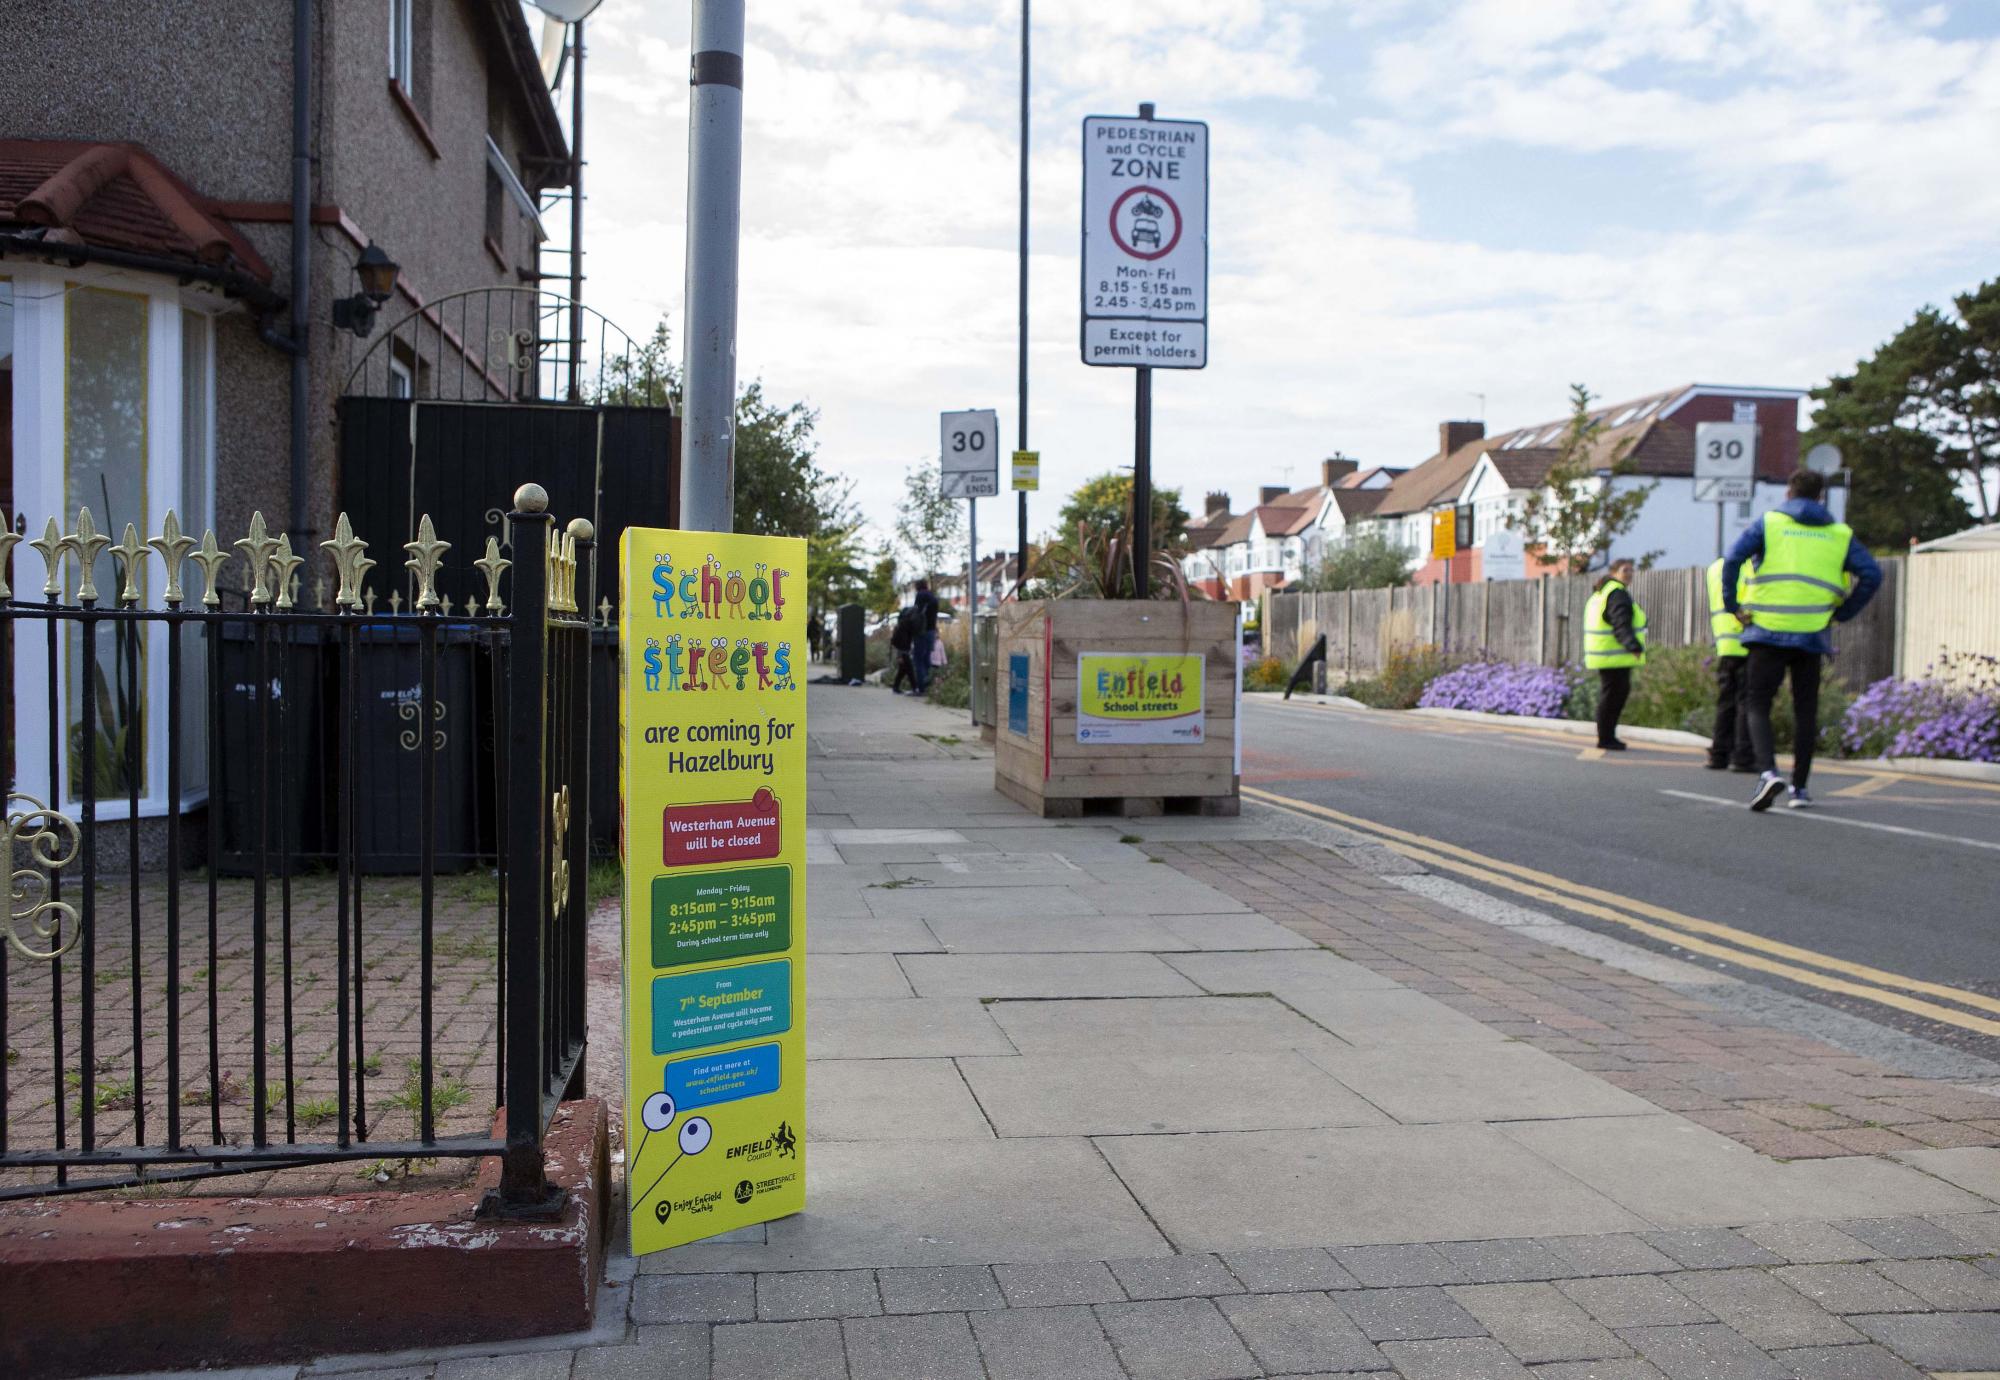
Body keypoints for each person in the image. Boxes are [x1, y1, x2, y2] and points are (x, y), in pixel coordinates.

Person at [1723, 469, 1881, 811]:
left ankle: (1768, 772)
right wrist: (1844, 612)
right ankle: (1801, 789)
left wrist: (1732, 605)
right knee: (1805, 710)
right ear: (1821, 497)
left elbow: (1733, 558)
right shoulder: (1840, 534)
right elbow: (1872, 574)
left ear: (1788, 493)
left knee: (1757, 703)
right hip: (1811, 633)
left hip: (1767, 630)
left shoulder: (1770, 524)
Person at [1582, 556, 1646, 750]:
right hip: (1614, 656)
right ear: (1614, 572)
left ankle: (1607, 736)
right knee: (1613, 696)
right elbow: (1620, 622)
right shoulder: (1617, 593)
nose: (1629, 574)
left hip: (1605, 654)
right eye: (1625, 570)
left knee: (1611, 695)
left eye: (1631, 570)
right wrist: (1632, 646)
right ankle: (1606, 737)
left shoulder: (1603, 592)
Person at [1704, 556, 1755, 772]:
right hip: (1746, 639)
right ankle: (1742, 757)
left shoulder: (1715, 567)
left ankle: (1719, 755)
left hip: (1725, 641)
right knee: (1746, 701)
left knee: (1726, 701)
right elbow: (1753, 600)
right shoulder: (1750, 567)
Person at [911, 579, 939, 695]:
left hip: (921, 631)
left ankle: (921, 687)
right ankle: (928, 685)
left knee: (918, 659)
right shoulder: (933, 597)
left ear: (917, 587)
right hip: (931, 631)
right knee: (927, 658)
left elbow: (916, 613)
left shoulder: (920, 596)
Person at [888, 605, 917, 694]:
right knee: (909, 670)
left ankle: (896, 687)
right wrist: (900, 655)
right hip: (903, 652)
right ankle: (915, 688)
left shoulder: (902, 624)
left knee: (903, 670)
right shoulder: (905, 626)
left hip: (903, 651)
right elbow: (902, 642)